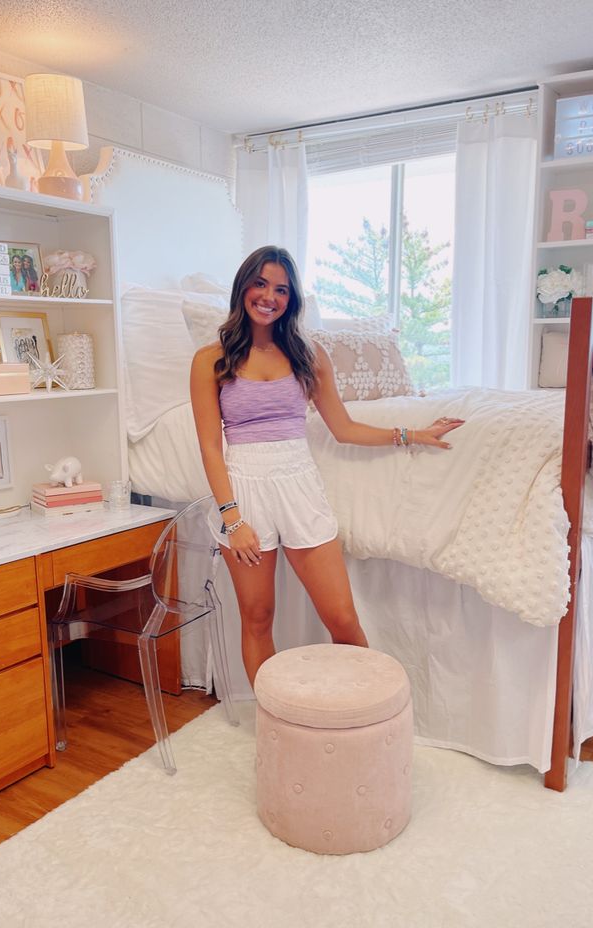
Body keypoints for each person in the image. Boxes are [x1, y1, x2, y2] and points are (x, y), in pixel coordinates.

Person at [190, 245, 464, 688]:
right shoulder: (211, 359)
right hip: (243, 490)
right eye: (260, 284)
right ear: (244, 287)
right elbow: (208, 446)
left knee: (341, 616)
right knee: (258, 618)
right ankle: (275, 725)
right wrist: (232, 518)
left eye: (280, 289)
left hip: (299, 484)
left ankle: (366, 716)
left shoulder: (308, 354)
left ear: (291, 299)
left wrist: (413, 435)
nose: (269, 296)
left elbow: (344, 427)